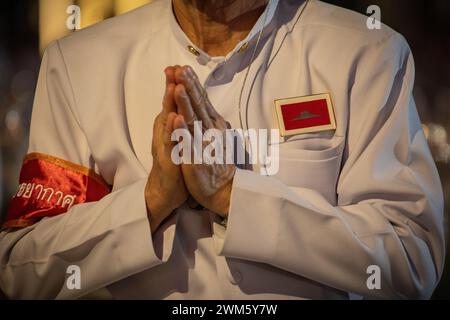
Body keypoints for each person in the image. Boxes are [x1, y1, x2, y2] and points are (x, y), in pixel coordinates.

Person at [0, 0, 445, 299]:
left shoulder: (366, 51)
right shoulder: (81, 63)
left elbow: (413, 259)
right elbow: (22, 270)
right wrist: (152, 200)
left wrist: (233, 194)